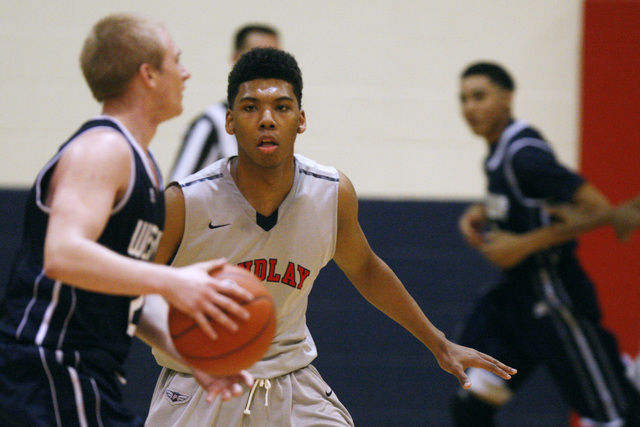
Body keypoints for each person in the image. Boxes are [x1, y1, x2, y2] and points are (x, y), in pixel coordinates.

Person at [144, 47, 517, 427]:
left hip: (289, 381)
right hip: (200, 383)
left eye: (282, 107)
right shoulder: (185, 202)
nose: (267, 120)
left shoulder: (330, 193)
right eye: (251, 107)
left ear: (301, 120)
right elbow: (134, 295)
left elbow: (367, 270)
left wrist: (439, 344)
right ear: (230, 121)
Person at [0, 13, 253, 427]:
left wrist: (191, 355)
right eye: (177, 60)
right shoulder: (104, 149)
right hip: (46, 368)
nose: (186, 72)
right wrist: (175, 281)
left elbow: (126, 298)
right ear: (149, 74)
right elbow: (62, 254)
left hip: (82, 374)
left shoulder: (144, 167)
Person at [450, 61, 640, 426]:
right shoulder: (498, 153)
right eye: (463, 99)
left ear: (506, 98)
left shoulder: (525, 156)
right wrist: (481, 211)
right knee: (470, 407)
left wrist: (522, 245)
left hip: (553, 295)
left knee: (611, 416)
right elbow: (536, 206)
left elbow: (600, 210)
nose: (469, 108)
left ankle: (617, 373)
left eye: (479, 96)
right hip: (518, 302)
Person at [169, 24, 280, 181]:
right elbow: (174, 190)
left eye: (274, 57)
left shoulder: (279, 123)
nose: (266, 65)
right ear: (236, 59)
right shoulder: (211, 123)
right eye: (256, 56)